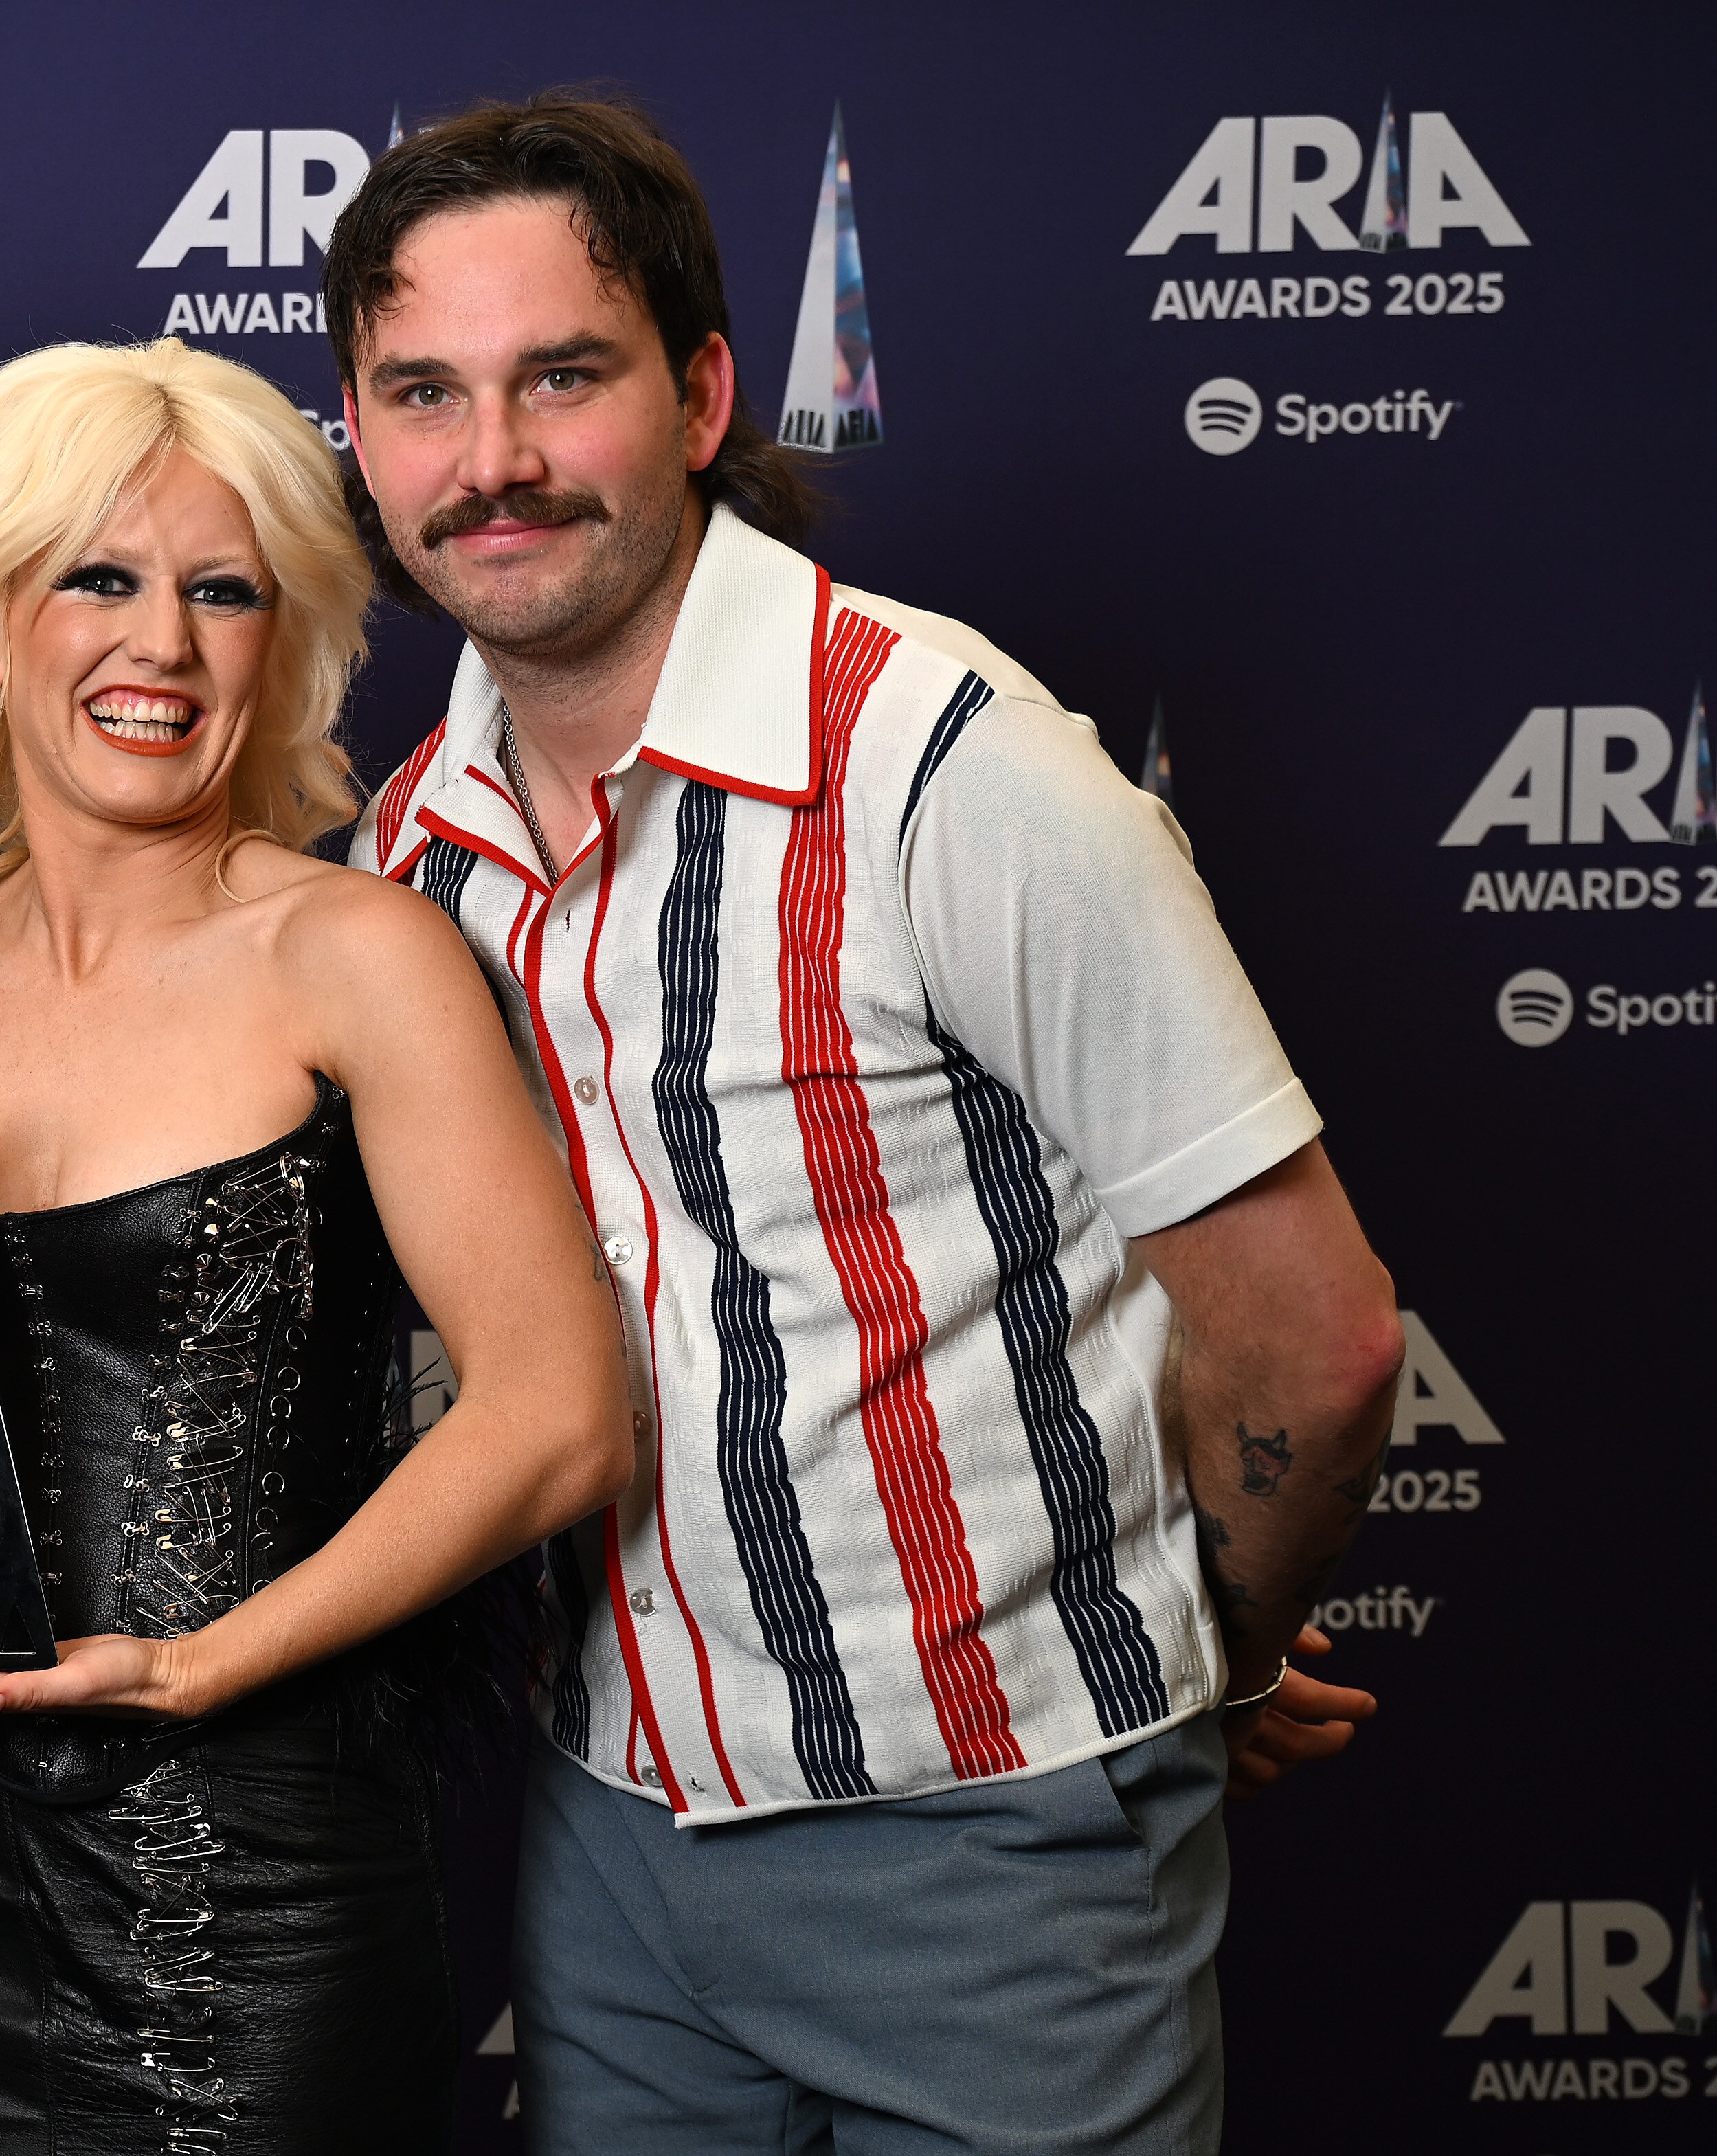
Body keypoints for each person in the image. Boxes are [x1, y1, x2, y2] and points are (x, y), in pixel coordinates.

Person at [326, 98, 1401, 2153]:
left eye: (563, 376)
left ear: (703, 389)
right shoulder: (408, 851)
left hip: (990, 1849)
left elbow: (1319, 1337)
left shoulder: (945, 764)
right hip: (606, 1848)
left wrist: (1211, 1652)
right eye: (422, 396)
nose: (495, 462)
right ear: (360, 439)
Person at [0, 337, 632, 2154]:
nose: (161, 642)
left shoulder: (350, 954)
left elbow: (554, 1413)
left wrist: (193, 1665)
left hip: (262, 1876)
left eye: (221, 592)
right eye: (100, 577)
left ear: (276, 643)